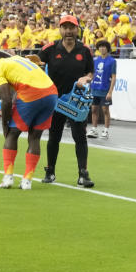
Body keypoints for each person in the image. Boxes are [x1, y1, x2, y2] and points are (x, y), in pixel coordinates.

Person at [39, 14, 95, 188]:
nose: (69, 31)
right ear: (60, 29)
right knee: (54, 136)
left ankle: (83, 174)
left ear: (77, 30)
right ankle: (50, 171)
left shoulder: (84, 50)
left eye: (72, 27)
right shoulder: (50, 48)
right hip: (55, 100)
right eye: (65, 27)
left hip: (76, 101)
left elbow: (90, 73)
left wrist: (86, 79)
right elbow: (37, 64)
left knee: (80, 137)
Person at [0, 54, 59, 190]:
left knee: (12, 134)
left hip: (31, 93)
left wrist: (5, 125)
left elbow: (6, 99)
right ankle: (27, 180)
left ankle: (8, 178)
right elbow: (20, 84)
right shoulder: (16, 59)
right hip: (51, 92)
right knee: (35, 137)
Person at [87, 39, 117, 139]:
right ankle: (94, 129)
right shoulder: (95, 60)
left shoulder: (112, 61)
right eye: (100, 47)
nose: (102, 48)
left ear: (107, 48)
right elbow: (92, 74)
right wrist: (88, 80)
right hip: (94, 89)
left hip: (105, 90)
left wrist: (110, 92)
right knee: (94, 110)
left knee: (105, 110)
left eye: (104, 47)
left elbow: (113, 77)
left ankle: (106, 130)